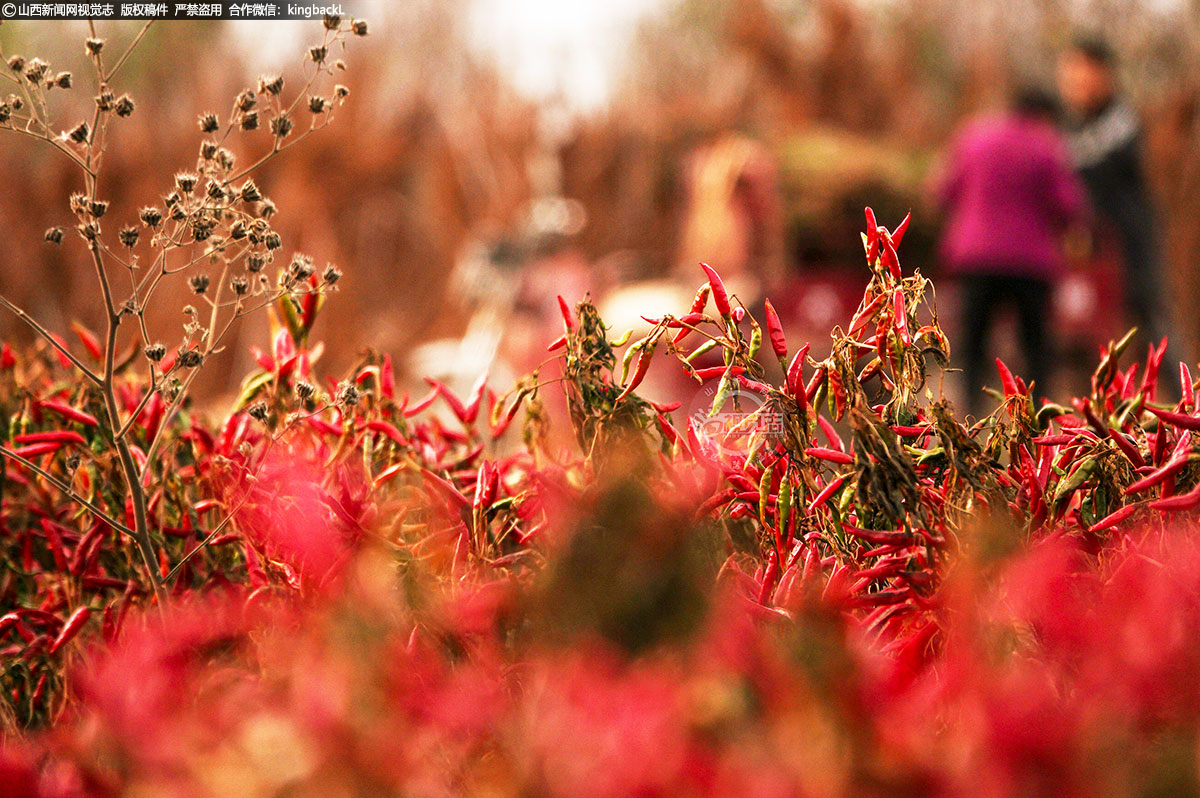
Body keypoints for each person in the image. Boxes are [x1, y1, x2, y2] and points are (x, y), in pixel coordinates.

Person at [935, 88, 1088, 415]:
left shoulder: (973, 136)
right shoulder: (1046, 146)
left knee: (973, 340)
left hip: (975, 258)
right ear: (1045, 115)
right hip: (1029, 263)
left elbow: (942, 191)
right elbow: (1069, 205)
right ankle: (1037, 418)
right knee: (1035, 345)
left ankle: (968, 416)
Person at [1057, 36, 1177, 362]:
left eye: (1082, 72)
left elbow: (1088, 161)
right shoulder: (1069, 123)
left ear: (1103, 73)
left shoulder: (1120, 119)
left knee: (1151, 322)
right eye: (1069, 73)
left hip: (1131, 239)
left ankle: (1189, 403)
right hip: (1088, 244)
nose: (1074, 82)